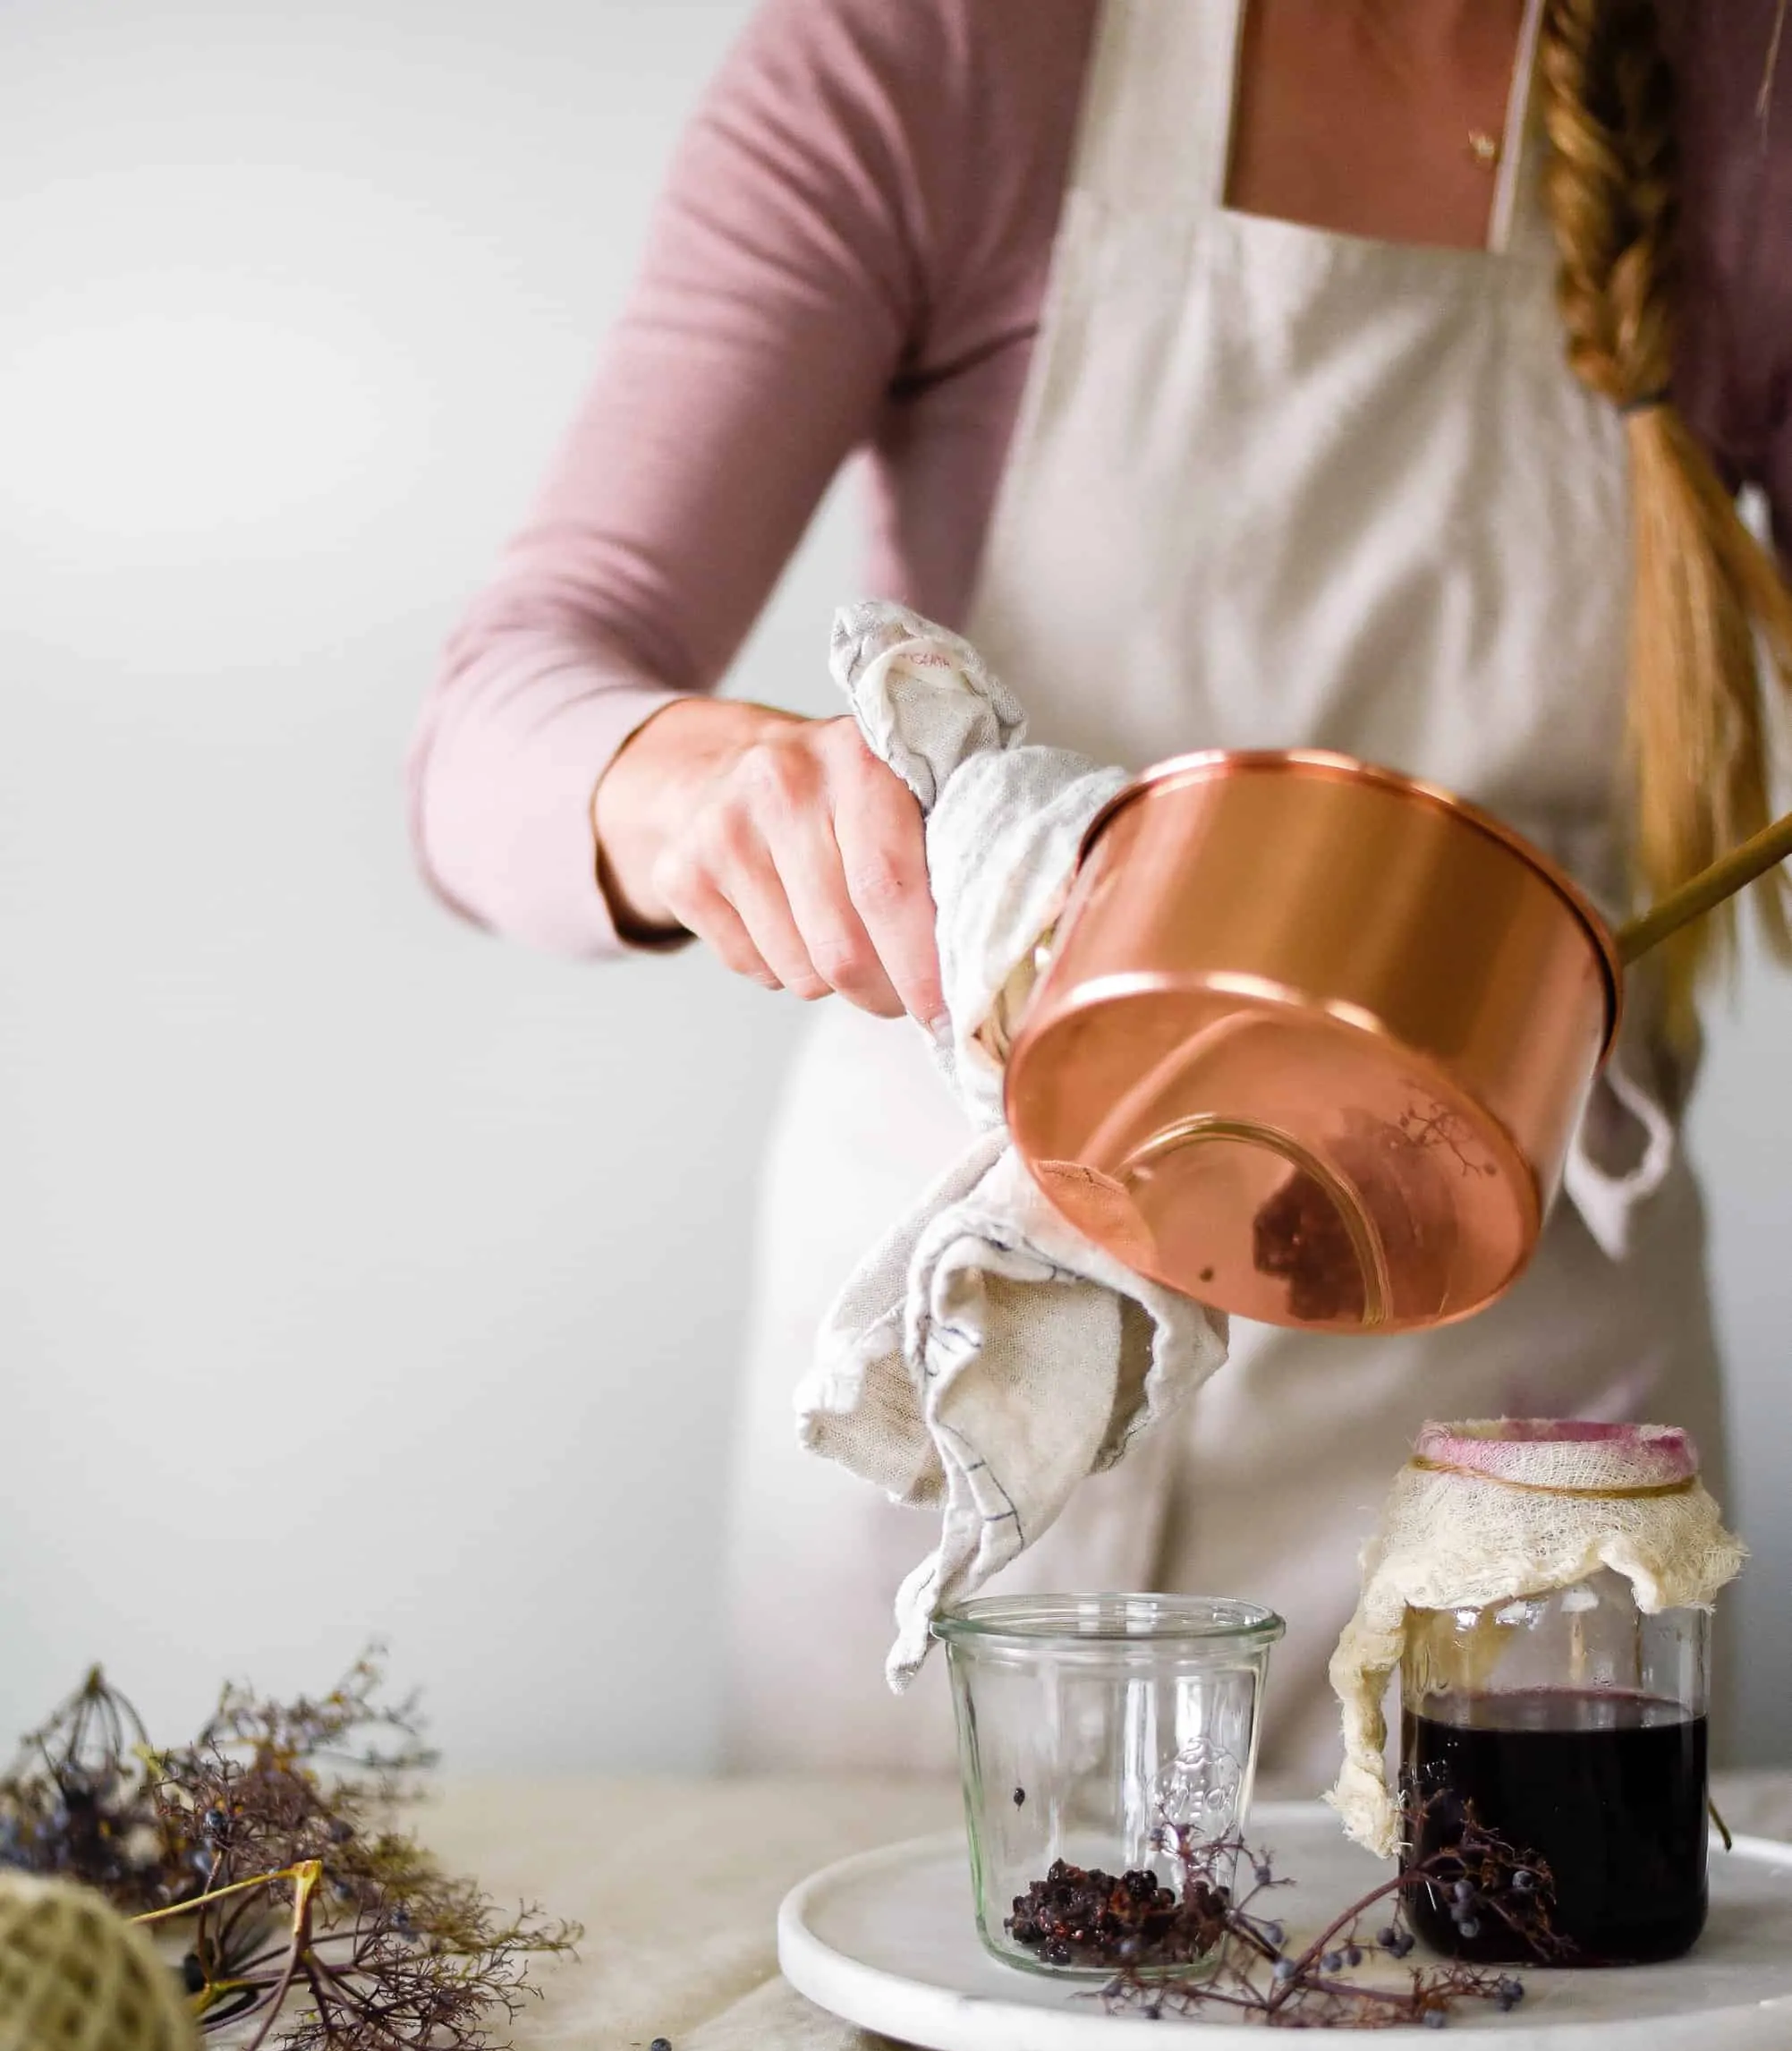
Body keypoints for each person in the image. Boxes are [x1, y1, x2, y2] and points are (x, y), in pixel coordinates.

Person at [410, 0, 1792, 1781]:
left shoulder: (1743, 88)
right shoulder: (936, 54)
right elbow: (498, 712)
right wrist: (681, 784)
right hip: (975, 1375)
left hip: (1514, 1469)